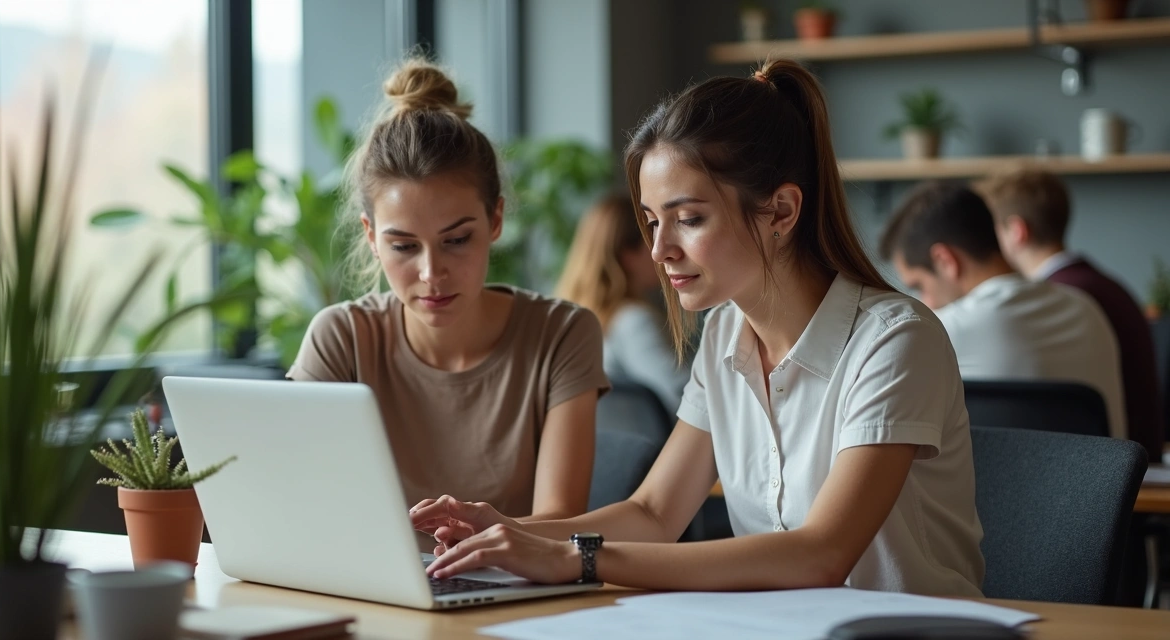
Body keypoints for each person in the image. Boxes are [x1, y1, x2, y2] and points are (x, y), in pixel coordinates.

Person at [410, 60, 985, 597]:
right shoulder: (724, 335)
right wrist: (513, 533)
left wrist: (579, 559)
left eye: (689, 219)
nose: (660, 250)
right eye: (653, 221)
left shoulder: (894, 341)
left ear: (781, 211)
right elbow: (655, 514)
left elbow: (821, 555)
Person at [286, 59, 610, 534]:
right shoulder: (341, 339)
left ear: (495, 219)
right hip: (372, 595)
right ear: (371, 237)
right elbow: (308, 507)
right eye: (403, 246)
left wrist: (477, 545)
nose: (431, 272)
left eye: (456, 240)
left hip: (512, 596)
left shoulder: (560, 334)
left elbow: (560, 520)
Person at [879, 180, 1126, 440]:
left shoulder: (939, 330)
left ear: (945, 261)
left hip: (992, 481)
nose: (925, 301)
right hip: (1099, 480)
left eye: (919, 286)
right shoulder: (1087, 310)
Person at [976, 169, 1164, 460]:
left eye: (989, 233)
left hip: (1119, 474)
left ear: (1016, 231)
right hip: (1131, 463)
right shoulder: (1102, 284)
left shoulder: (1063, 302)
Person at [555, 192, 689, 416]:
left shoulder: (573, 321)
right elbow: (680, 398)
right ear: (628, 256)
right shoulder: (632, 321)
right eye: (653, 236)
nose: (662, 250)